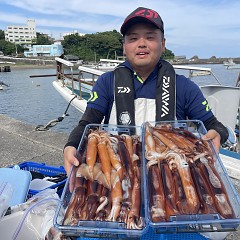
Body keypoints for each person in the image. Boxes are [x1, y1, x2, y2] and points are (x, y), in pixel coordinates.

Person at [63, 7, 228, 174]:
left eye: (150, 37)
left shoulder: (185, 87)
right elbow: (87, 124)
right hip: (118, 171)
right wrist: (71, 145)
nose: (141, 43)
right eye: (133, 38)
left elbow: (214, 126)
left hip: (170, 172)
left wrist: (218, 133)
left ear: (163, 44)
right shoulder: (106, 82)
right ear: (124, 47)